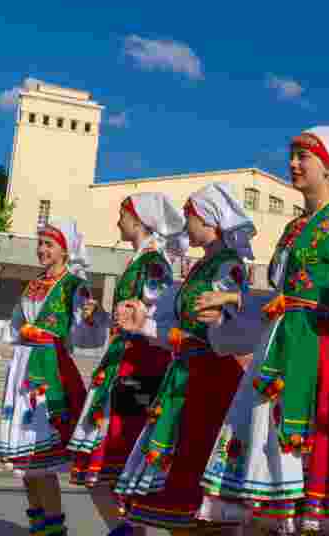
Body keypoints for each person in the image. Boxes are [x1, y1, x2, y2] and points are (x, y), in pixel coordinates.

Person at [197, 126, 329, 535]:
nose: (292, 164)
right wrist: (230, 303)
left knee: (308, 483)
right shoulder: (293, 228)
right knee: (265, 478)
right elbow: (281, 298)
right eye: (292, 155)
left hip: (315, 352)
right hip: (276, 349)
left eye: (303, 157)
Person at [112, 182, 255, 535]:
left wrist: (221, 317)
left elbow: (230, 331)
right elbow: (177, 332)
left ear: (209, 221)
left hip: (211, 380)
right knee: (179, 487)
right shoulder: (199, 267)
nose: (185, 224)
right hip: (185, 376)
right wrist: (143, 324)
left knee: (199, 487)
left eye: (190, 216)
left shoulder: (228, 266)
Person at [0, 219, 109, 536]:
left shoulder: (73, 285)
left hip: (49, 367)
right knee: (26, 464)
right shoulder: (34, 283)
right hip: (24, 365)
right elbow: (14, 328)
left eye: (49, 244)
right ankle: (39, 526)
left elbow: (86, 334)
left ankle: (53, 529)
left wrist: (93, 320)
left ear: (65, 250)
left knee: (42, 461)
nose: (42, 249)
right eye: (40, 244)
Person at [68, 193, 186, 536]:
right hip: (125, 362)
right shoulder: (140, 262)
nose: (118, 222)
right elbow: (133, 318)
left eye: (122, 215)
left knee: (120, 456)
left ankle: (128, 529)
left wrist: (132, 323)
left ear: (138, 220)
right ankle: (126, 529)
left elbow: (158, 318)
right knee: (108, 464)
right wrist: (103, 317)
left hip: (140, 366)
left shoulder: (153, 264)